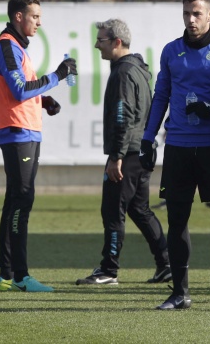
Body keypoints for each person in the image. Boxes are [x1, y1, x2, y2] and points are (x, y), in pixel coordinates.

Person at [141, 0, 210, 311]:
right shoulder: (172, 51)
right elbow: (161, 95)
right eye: (186, 13)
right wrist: (148, 138)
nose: (191, 19)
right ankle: (180, 293)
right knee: (177, 219)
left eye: (197, 13)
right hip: (179, 146)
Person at [0, 0, 77, 292]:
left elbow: (24, 91)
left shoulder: (16, 47)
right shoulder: (7, 46)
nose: (39, 22)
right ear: (19, 17)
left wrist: (44, 100)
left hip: (24, 131)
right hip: (18, 132)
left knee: (15, 200)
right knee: (22, 200)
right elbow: (18, 90)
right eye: (35, 16)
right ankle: (20, 276)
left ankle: (7, 275)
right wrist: (58, 75)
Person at [75, 18, 171, 287]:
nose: (97, 45)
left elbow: (123, 116)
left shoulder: (123, 73)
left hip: (127, 153)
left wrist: (116, 156)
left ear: (117, 42)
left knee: (113, 210)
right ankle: (166, 264)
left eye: (101, 40)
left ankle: (108, 270)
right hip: (140, 150)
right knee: (139, 209)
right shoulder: (136, 69)